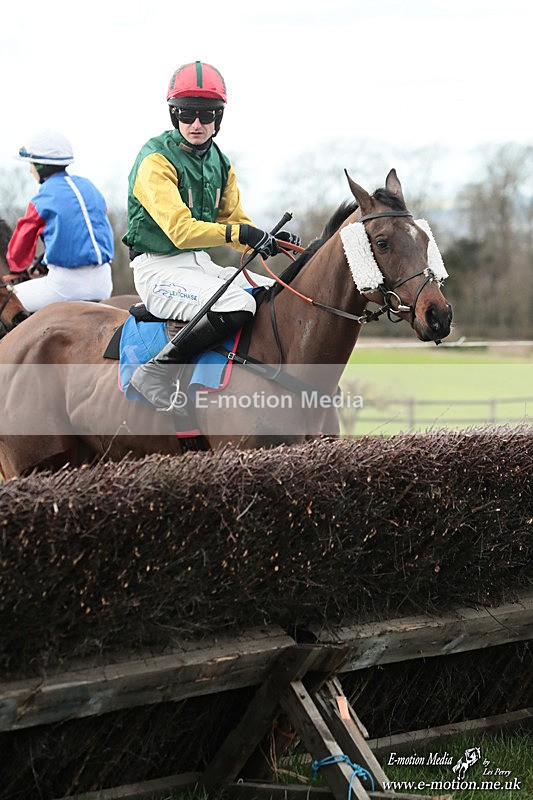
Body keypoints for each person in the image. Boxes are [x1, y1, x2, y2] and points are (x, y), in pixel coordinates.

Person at [124, 60, 300, 411]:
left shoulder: (221, 163)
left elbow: (235, 222)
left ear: (219, 117)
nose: (197, 124)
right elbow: (180, 230)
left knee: (272, 295)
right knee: (238, 303)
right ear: (174, 114)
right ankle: (155, 372)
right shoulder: (155, 161)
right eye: (187, 114)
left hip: (197, 265)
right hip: (157, 269)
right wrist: (242, 232)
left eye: (207, 114)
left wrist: (267, 238)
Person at [6, 130, 114, 312]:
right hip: (103, 283)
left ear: (41, 166)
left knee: (7, 301)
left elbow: (19, 251)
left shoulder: (42, 199)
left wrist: (17, 268)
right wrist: (43, 261)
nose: (30, 170)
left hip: (65, 286)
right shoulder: (89, 187)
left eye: (32, 164)